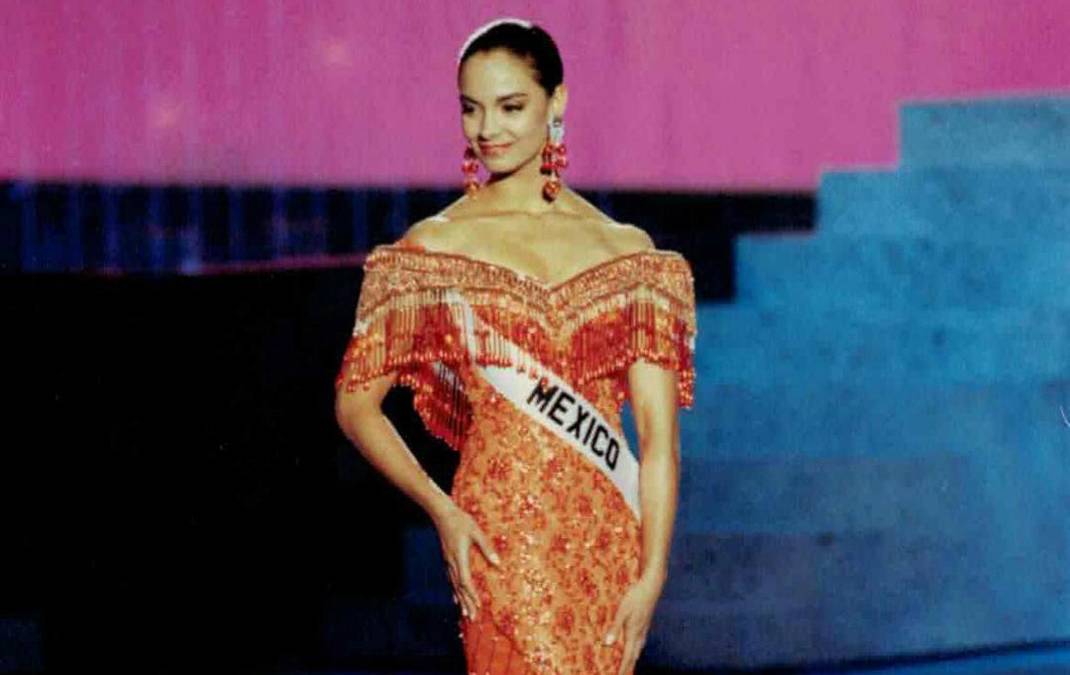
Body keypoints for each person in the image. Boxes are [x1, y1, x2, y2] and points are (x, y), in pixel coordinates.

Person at [333, 17, 697, 675]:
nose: (487, 129)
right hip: (500, 536)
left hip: (607, 540)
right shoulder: (436, 247)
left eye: (510, 106)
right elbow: (356, 404)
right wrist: (442, 510)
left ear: (557, 102)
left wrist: (651, 574)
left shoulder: (629, 255)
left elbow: (658, 438)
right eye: (471, 108)